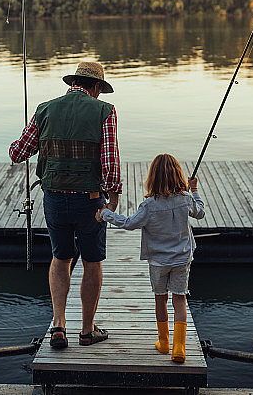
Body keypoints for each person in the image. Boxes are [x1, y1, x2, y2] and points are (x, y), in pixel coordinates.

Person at [9, 61, 121, 349]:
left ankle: (58, 325)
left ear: (73, 82)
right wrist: (114, 196)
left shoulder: (45, 109)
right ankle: (87, 330)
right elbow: (109, 160)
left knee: (61, 257)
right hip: (90, 201)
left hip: (55, 199)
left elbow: (18, 153)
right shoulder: (105, 111)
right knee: (92, 261)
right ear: (95, 87)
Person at [96, 153, 205, 363]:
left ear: (152, 178)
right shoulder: (186, 199)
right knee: (179, 299)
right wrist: (194, 190)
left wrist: (105, 214)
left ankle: (164, 343)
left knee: (160, 299)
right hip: (182, 259)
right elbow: (200, 213)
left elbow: (128, 223)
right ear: (178, 175)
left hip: (158, 261)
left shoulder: (149, 206)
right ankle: (179, 348)